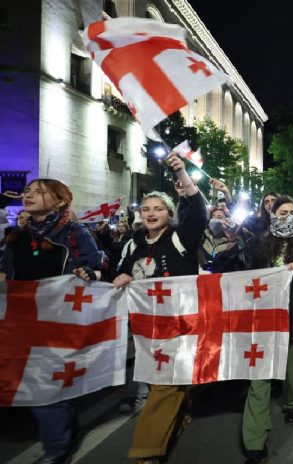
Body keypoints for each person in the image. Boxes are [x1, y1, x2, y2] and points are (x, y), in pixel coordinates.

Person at [0, 178, 106, 464]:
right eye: (27, 191)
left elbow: (98, 265)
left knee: (45, 385)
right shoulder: (16, 235)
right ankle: (65, 422)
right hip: (19, 321)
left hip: (58, 319)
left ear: (59, 201)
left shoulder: (74, 233)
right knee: (24, 381)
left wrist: (88, 273)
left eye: (39, 191)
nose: (29, 195)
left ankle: (56, 449)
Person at [112, 152, 207, 464]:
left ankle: (146, 451)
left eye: (158, 209)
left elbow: (198, 212)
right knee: (163, 381)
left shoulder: (181, 237)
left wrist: (181, 173)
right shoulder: (135, 243)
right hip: (147, 328)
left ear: (169, 214)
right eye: (146, 209)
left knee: (164, 382)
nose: (151, 213)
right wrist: (119, 275)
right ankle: (179, 415)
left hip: (180, 325)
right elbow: (122, 272)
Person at [241, 196, 293, 464]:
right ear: (273, 214)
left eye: (292, 212)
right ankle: (255, 443)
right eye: (282, 211)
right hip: (262, 319)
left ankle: (291, 404)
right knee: (259, 379)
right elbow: (243, 275)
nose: (287, 216)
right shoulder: (257, 243)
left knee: (291, 370)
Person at [200, 207, 242, 273]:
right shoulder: (202, 236)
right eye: (213, 216)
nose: (215, 219)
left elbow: (232, 261)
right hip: (203, 277)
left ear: (227, 221)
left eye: (219, 217)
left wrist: (231, 239)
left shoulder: (234, 241)